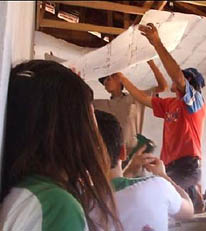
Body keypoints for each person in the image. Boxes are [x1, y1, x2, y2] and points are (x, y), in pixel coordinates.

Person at [0, 60, 122, 231]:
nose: (95, 125)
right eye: (89, 112)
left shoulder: (28, 192)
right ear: (70, 127)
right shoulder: (57, 206)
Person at [114, 23, 206, 212]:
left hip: (186, 164)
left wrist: (156, 43)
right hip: (170, 164)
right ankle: (197, 198)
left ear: (189, 82)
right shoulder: (169, 104)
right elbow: (143, 98)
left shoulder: (195, 103)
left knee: (170, 203)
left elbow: (178, 78)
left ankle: (196, 200)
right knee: (172, 202)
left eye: (181, 79)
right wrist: (123, 79)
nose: (176, 81)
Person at [92, 110, 194, 231]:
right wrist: (162, 175)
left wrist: (129, 171)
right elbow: (189, 211)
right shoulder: (158, 186)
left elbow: (115, 190)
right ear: (123, 152)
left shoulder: (80, 202)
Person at [93, 60, 167, 156]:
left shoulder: (135, 98)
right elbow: (81, 102)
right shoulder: (101, 104)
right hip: (112, 154)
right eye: (105, 81)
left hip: (133, 152)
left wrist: (151, 63)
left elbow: (163, 87)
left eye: (112, 77)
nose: (107, 81)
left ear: (120, 80)